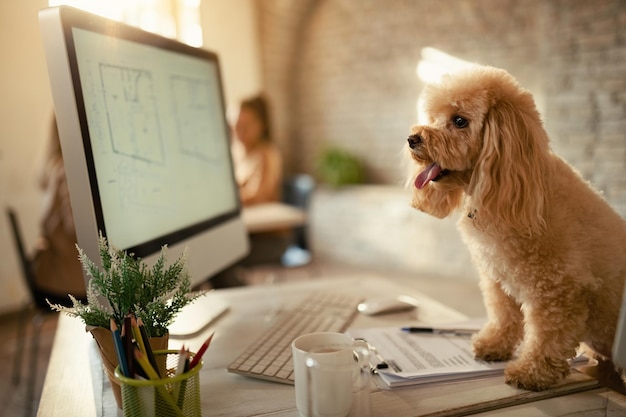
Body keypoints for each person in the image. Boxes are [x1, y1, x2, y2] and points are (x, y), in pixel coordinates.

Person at [31, 115, 86, 305]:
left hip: (48, 275)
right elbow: (77, 229)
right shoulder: (67, 170)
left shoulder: (53, 165)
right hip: (67, 284)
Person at [231, 94, 283, 206]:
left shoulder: (268, 153)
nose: (241, 131)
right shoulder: (240, 154)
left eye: (246, 126)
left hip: (265, 219)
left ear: (262, 125)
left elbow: (260, 196)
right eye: (238, 125)